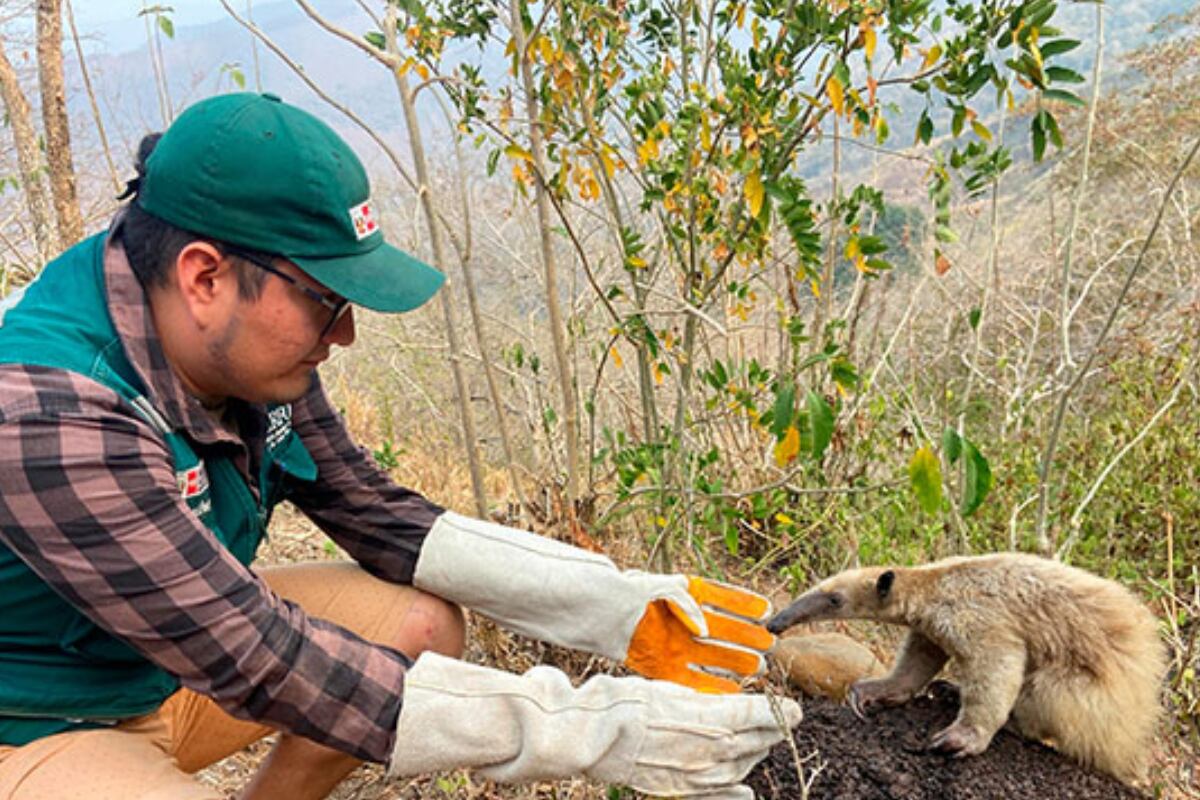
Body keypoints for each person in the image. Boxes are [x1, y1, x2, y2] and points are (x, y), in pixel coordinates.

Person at [0, 92, 800, 800]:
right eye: (324, 300)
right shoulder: (51, 415)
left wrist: (619, 606)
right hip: (32, 721)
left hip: (149, 672)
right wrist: (589, 730)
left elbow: (375, 513)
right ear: (205, 276)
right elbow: (255, 653)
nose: (343, 334)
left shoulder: (230, 347)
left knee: (417, 622)